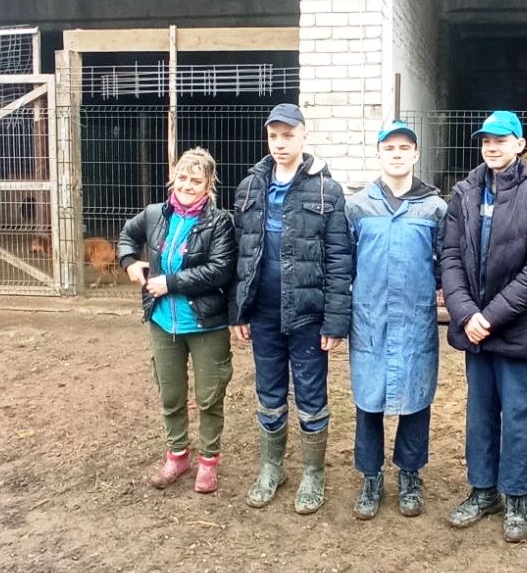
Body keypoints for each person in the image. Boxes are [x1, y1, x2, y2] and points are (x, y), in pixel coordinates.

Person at [440, 110, 527, 543]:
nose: (492, 147)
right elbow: (450, 257)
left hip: (517, 330)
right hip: (474, 328)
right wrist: (465, 313)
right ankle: (482, 491)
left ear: (520, 144)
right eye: (486, 140)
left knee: (516, 416)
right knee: (479, 414)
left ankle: (515, 497)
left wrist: (489, 317)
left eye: (500, 139)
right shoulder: (463, 193)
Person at [229, 102, 352, 515]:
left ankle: (313, 473)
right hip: (263, 311)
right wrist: (238, 310)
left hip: (308, 313)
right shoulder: (250, 186)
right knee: (269, 391)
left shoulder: (327, 190)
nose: (280, 144)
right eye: (274, 136)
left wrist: (335, 320)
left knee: (312, 394)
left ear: (304, 135)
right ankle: (272, 468)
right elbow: (241, 253)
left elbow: (339, 259)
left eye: (288, 135)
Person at [118, 146, 236, 494]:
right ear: (173, 177)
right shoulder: (155, 214)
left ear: (208, 184)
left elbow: (220, 270)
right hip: (162, 322)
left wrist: (170, 283)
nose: (187, 185)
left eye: (196, 180)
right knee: (170, 394)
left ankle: (209, 461)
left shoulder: (220, 222)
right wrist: (129, 262)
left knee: (209, 396)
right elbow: (127, 236)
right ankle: (177, 456)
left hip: (206, 323)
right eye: (182, 177)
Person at [345, 120, 447, 520]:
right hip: (370, 319)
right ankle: (370, 477)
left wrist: (439, 289)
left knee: (415, 398)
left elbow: (446, 259)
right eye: (389, 148)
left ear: (416, 154)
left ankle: (409, 474)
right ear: (378, 154)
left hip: (415, 319)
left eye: (405, 148)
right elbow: (344, 262)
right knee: (368, 399)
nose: (397, 154)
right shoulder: (358, 206)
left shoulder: (434, 208)